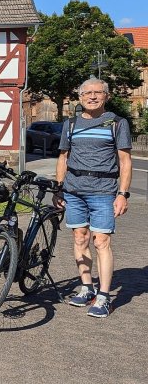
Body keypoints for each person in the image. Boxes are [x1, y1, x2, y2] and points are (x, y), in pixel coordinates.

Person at [54, 77, 132, 318]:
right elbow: (63, 158)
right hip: (74, 191)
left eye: (98, 92)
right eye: (87, 93)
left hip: (103, 191)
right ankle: (87, 286)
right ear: (80, 97)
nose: (92, 96)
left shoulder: (117, 123)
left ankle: (104, 296)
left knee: (101, 242)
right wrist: (59, 188)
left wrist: (122, 194)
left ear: (106, 96)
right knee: (80, 238)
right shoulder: (71, 124)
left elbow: (124, 161)